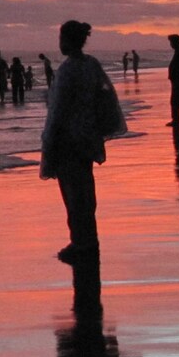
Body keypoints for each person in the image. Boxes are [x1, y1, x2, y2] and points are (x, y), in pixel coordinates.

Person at [40, 20, 120, 263]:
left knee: (72, 193)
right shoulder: (91, 64)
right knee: (85, 190)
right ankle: (89, 239)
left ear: (67, 40)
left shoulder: (68, 70)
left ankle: (80, 242)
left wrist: (49, 139)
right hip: (87, 136)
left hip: (68, 140)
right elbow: (105, 95)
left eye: (61, 39)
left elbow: (59, 111)